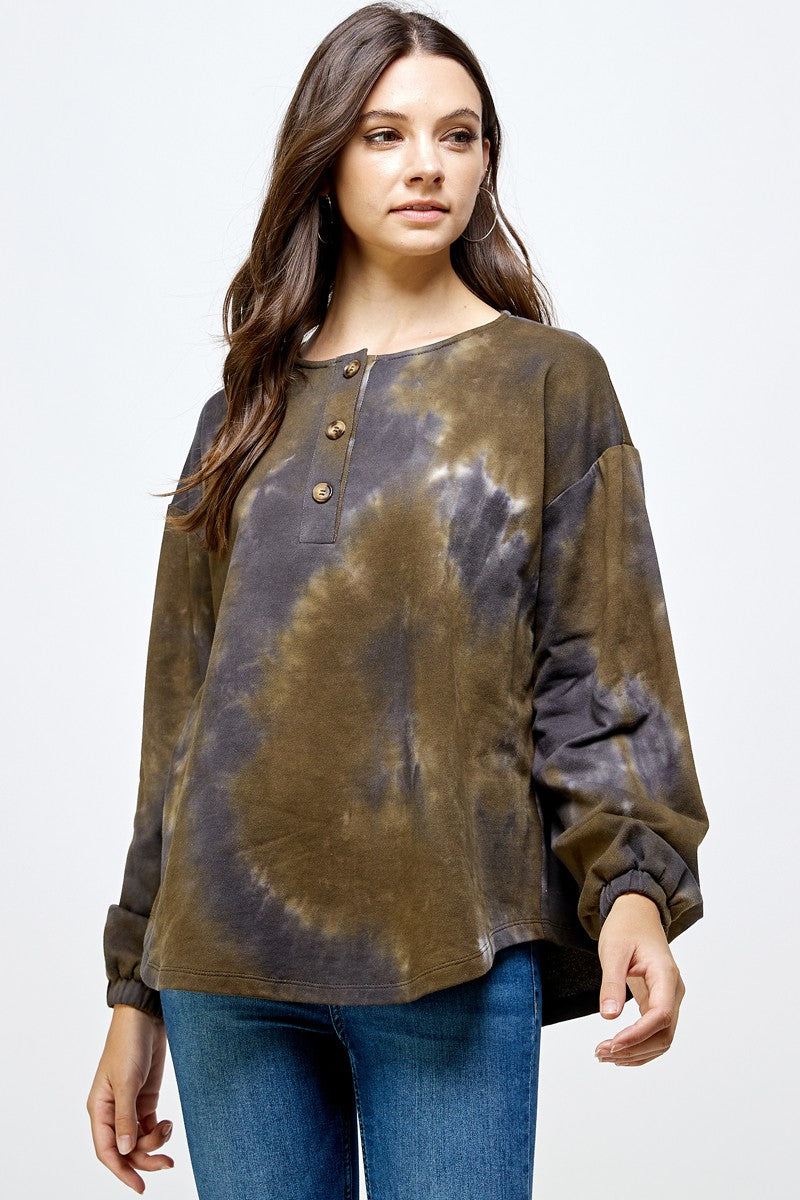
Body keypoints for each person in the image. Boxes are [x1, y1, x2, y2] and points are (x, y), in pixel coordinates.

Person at [86, 4, 710, 1197]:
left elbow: (600, 669)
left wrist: (631, 887)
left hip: (446, 949)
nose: (426, 163)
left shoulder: (548, 380)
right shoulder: (240, 412)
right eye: (385, 133)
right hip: (221, 966)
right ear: (326, 158)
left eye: (456, 134)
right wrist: (132, 991)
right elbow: (181, 724)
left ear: (484, 160)